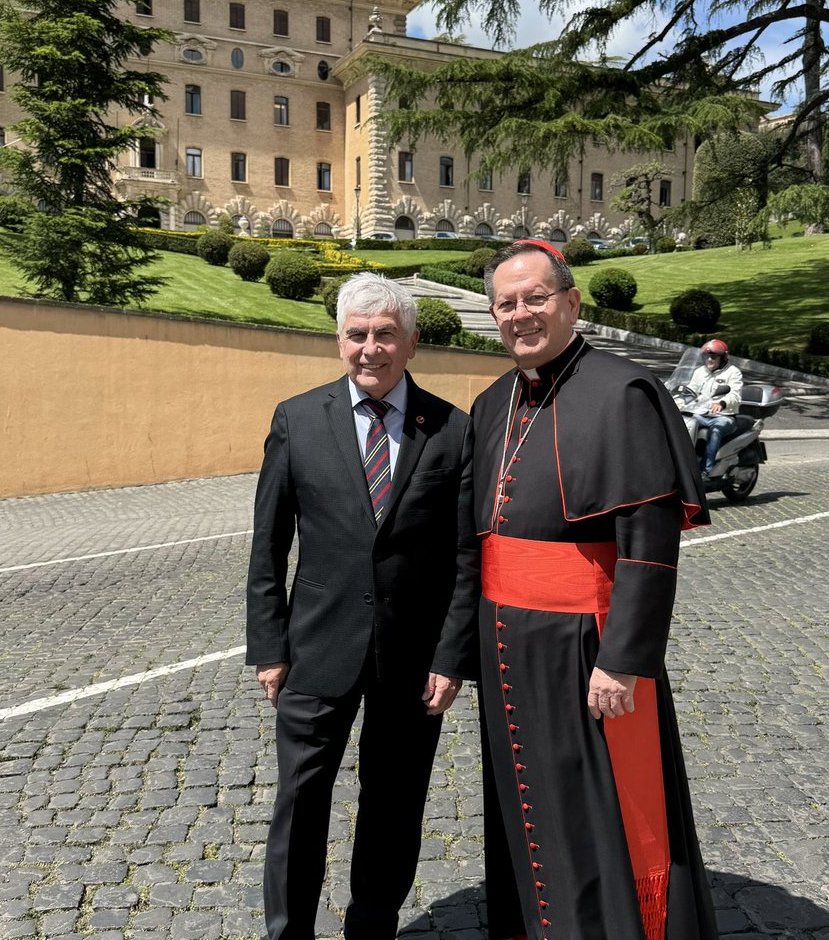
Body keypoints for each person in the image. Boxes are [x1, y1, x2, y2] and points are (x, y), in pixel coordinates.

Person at [473, 240, 717, 940]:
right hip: (506, 645)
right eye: (507, 303)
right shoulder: (492, 403)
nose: (521, 314)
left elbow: (650, 544)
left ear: (572, 303)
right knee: (528, 801)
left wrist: (624, 657)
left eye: (536, 298)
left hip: (586, 647)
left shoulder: (622, 392)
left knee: (602, 808)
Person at [246, 272, 478, 940]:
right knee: (300, 800)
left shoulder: (451, 430)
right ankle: (287, 932)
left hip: (412, 657)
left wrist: (451, 655)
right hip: (314, 650)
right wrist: (268, 645)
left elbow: (466, 556)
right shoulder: (298, 419)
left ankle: (372, 926)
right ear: (338, 340)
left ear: (410, 342)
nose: (369, 349)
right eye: (357, 334)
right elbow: (269, 543)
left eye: (384, 335)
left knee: (395, 801)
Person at [687, 338, 744, 477]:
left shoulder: (733, 372)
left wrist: (722, 403)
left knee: (715, 431)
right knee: (682, 424)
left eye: (713, 356)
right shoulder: (700, 372)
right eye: (706, 356)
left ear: (723, 358)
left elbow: (735, 395)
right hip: (700, 413)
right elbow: (690, 389)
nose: (709, 359)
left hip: (724, 417)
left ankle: (705, 470)